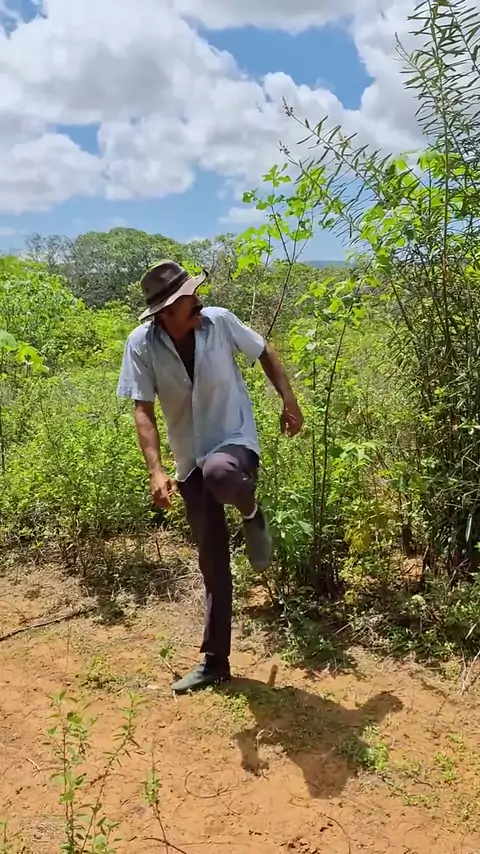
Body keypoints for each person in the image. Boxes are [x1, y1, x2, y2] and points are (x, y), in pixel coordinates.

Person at [117, 260, 304, 694]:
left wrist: (289, 400)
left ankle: (252, 513)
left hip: (235, 442)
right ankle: (215, 662)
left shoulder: (219, 322)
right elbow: (142, 409)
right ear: (167, 312)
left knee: (221, 472)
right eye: (189, 298)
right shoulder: (142, 344)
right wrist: (156, 469)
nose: (198, 300)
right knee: (212, 561)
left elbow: (264, 351)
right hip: (189, 460)